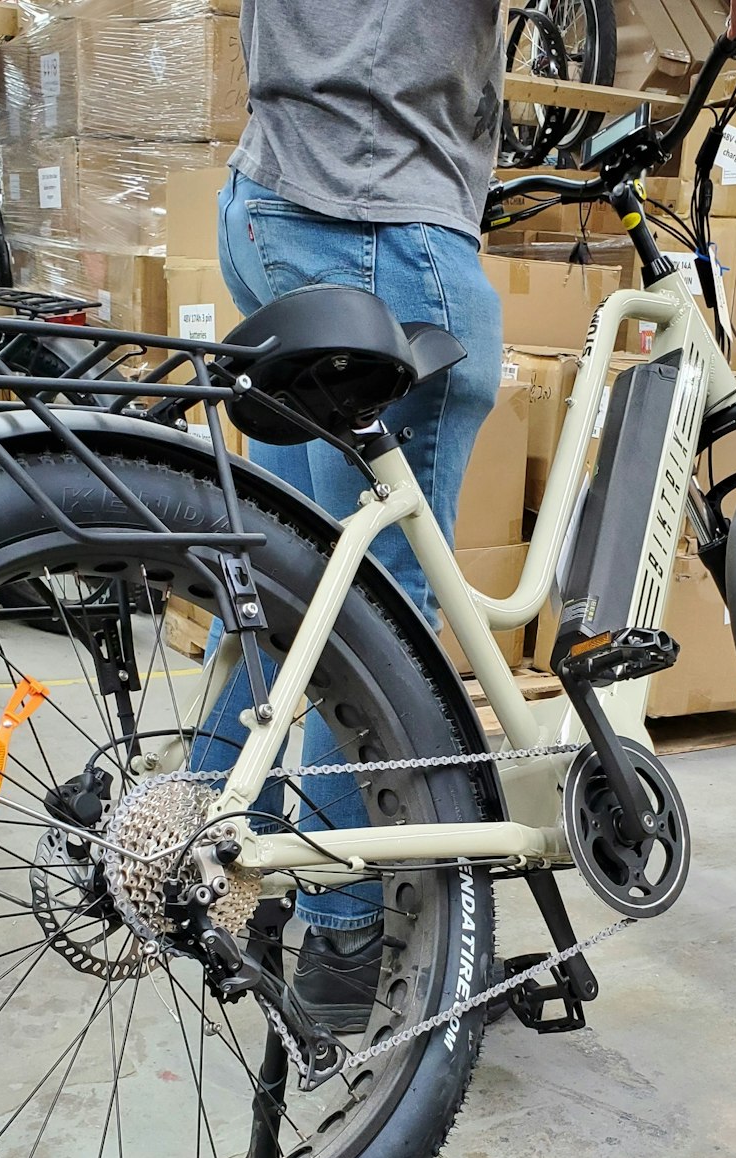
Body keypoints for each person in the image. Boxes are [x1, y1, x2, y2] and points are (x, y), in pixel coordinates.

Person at [199, 1, 507, 1030]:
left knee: (293, 585)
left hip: (271, 195)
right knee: (374, 612)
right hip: (378, 215)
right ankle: (344, 936)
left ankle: (200, 864)